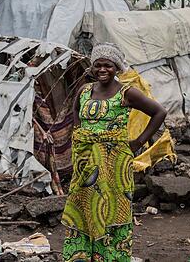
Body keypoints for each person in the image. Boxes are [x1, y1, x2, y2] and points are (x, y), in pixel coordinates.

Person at [61, 43, 167, 262]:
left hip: (114, 164)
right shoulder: (85, 90)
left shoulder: (127, 93)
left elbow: (159, 112)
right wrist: (81, 140)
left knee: (111, 208)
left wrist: (138, 142)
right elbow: (75, 114)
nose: (102, 70)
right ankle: (82, 257)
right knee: (83, 206)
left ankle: (111, 257)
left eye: (108, 65)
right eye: (98, 65)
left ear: (116, 67)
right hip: (86, 162)